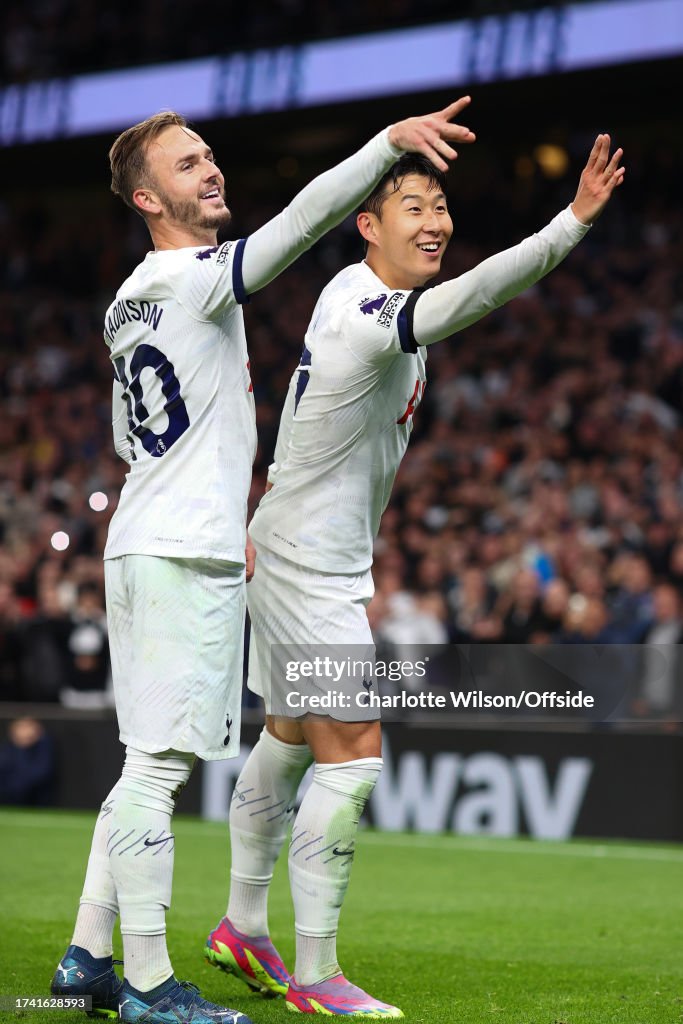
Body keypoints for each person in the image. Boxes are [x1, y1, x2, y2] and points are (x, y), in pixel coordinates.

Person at [49, 101, 476, 1024]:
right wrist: (383, 148)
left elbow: (132, 436)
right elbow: (303, 222)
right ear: (147, 198)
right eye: (186, 163)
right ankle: (151, 986)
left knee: (142, 766)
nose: (210, 169)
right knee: (156, 775)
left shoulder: (126, 300)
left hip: (157, 535)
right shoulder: (193, 276)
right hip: (180, 552)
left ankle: (87, 954)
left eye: (209, 155)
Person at [204, 134, 625, 1016]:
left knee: (288, 738)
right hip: (306, 564)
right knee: (353, 756)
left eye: (439, 209)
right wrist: (572, 221)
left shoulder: (354, 291)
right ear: (367, 224)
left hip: (294, 549)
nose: (435, 224)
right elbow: (478, 295)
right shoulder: (370, 313)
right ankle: (317, 977)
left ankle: (243, 926)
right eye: (413, 209)